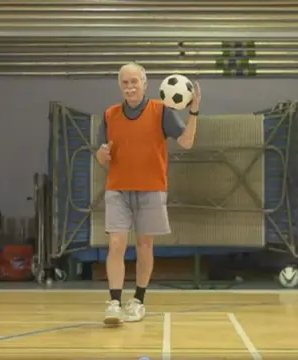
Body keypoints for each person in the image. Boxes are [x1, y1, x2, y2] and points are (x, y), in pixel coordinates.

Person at [95, 63, 201, 325]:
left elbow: (186, 142)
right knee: (117, 244)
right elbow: (101, 156)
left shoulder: (161, 111)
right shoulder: (109, 115)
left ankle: (139, 300)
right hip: (118, 189)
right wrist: (102, 155)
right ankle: (115, 302)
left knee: (145, 245)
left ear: (145, 84)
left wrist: (194, 111)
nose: (130, 87)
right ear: (120, 86)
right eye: (125, 83)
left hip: (151, 188)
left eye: (134, 81)